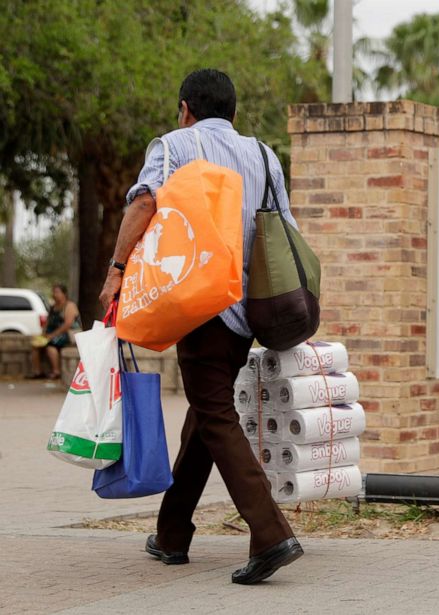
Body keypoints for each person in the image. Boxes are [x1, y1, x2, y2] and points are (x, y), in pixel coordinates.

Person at [98, 69, 302, 585]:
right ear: (232, 114)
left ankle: (270, 533)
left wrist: (118, 270)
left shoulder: (174, 145)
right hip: (248, 308)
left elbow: (144, 202)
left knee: (214, 413)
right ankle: (171, 534)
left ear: (185, 108)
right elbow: (287, 228)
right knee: (207, 408)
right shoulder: (263, 154)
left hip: (199, 302)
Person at [30, 284, 79, 380]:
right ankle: (38, 371)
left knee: (51, 346)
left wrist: (52, 335)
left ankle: (56, 371)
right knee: (36, 346)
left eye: (57, 292)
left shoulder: (69, 305)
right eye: (53, 292)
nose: (54, 294)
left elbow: (68, 324)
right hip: (52, 334)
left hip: (66, 334)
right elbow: (48, 322)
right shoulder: (53, 307)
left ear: (64, 294)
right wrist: (43, 334)